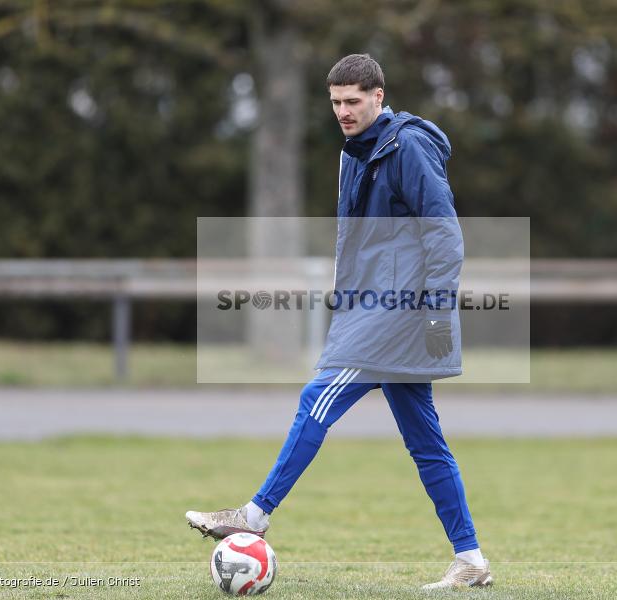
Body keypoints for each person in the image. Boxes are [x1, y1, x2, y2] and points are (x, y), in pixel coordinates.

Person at [187, 53, 491, 590]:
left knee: (317, 399)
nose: (343, 112)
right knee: (426, 444)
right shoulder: (355, 152)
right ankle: (471, 559)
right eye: (335, 102)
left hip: (400, 314)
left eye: (353, 101)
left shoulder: (407, 146)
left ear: (379, 96)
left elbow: (444, 235)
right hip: (370, 308)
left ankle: (254, 515)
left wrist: (437, 314)